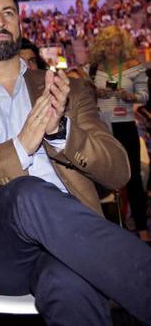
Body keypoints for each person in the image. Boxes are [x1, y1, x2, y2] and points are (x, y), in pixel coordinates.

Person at [0, 0, 151, 326]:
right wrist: (19, 147)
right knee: (25, 193)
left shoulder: (66, 90)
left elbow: (119, 171)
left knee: (70, 285)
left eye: (8, 13)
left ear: (19, 25)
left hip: (65, 240)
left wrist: (61, 134)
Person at [90, 25, 150, 243]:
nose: (113, 49)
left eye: (117, 44)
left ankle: (142, 230)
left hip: (125, 125)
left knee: (133, 178)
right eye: (108, 44)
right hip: (102, 127)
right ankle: (113, 231)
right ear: (101, 46)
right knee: (105, 178)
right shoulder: (94, 68)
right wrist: (95, 92)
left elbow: (144, 96)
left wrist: (130, 96)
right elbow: (85, 97)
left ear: (123, 46)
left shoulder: (134, 67)